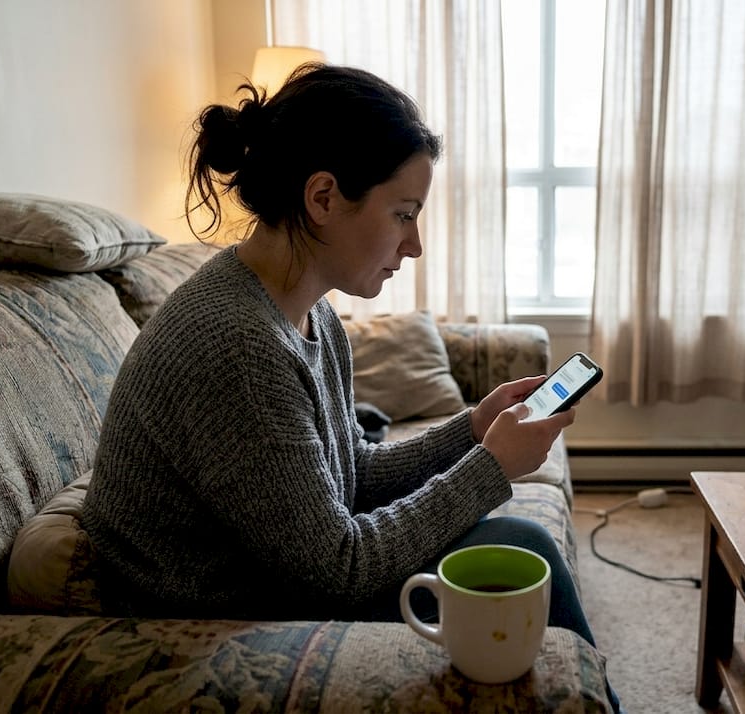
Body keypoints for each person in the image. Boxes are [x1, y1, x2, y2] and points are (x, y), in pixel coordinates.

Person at [82, 64, 617, 709]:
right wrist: (491, 468)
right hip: (216, 613)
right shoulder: (237, 344)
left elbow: (349, 474)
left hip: (283, 574)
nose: (414, 245)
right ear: (323, 198)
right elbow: (335, 571)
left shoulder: (309, 312)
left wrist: (474, 429)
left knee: (516, 545)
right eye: (403, 214)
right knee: (518, 546)